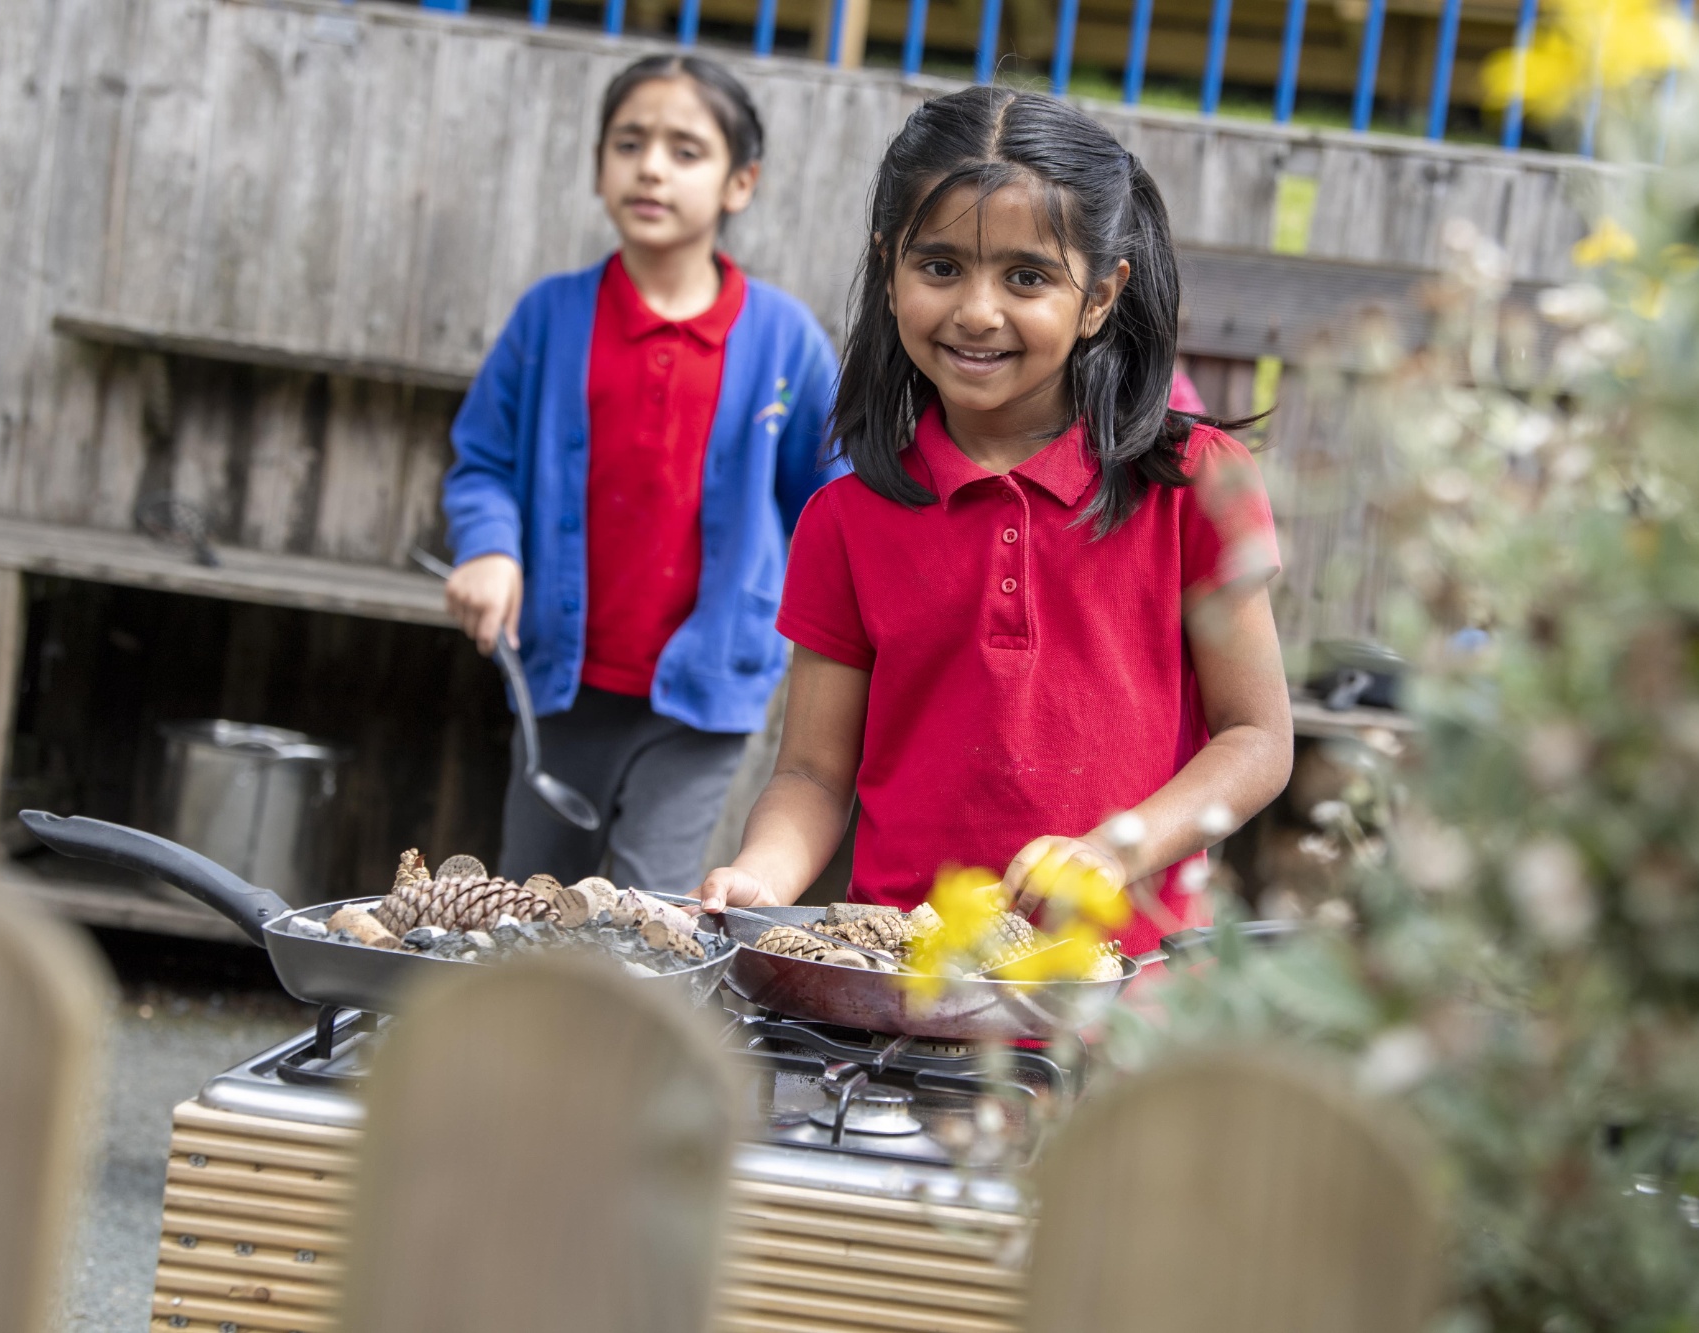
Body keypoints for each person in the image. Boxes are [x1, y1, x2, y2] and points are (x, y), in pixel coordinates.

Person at [694, 88, 1293, 955]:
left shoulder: (1193, 485)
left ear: (1099, 297)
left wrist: (1115, 850)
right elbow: (814, 773)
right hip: (900, 980)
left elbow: (1257, 738)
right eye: (940, 267)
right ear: (888, 267)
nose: (977, 311)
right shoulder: (845, 520)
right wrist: (762, 875)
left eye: (1027, 277)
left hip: (1122, 994)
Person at [442, 54, 844, 893]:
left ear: (740, 183)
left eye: (685, 149)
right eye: (629, 143)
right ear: (599, 166)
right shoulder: (549, 318)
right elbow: (481, 461)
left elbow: (832, 504)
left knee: (648, 911)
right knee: (527, 907)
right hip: (556, 685)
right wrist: (488, 547)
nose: (652, 166)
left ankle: (640, 1028)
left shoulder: (784, 340)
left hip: (703, 700)